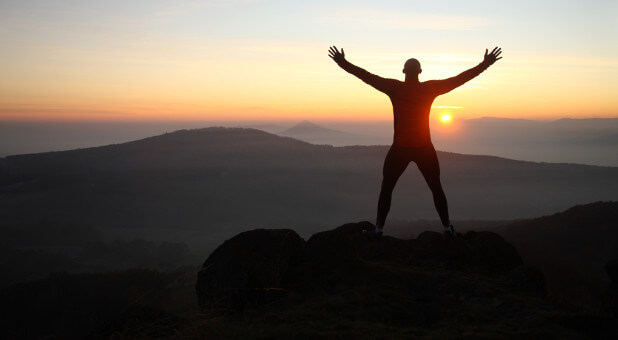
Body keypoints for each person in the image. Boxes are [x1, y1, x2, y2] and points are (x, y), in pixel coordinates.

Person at [328, 45, 502, 237]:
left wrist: (342, 62)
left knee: (387, 188)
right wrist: (485, 64)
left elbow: (366, 76)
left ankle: (378, 229)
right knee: (436, 188)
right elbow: (459, 80)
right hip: (424, 148)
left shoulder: (395, 88)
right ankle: (447, 228)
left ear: (404, 72)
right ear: (420, 72)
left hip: (400, 149)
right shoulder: (429, 89)